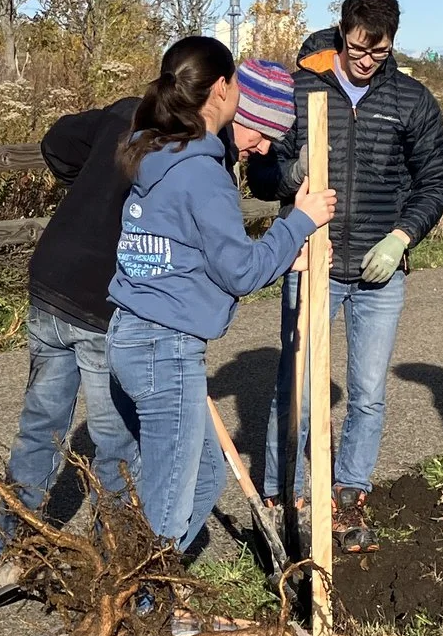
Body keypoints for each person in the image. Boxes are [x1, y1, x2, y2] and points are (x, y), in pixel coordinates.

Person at [107, 42, 334, 555]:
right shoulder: (203, 174)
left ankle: (130, 573)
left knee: (206, 471)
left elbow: (193, 254)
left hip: (131, 333)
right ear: (222, 90)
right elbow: (239, 272)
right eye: (262, 133)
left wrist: (285, 256)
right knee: (168, 504)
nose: (263, 147)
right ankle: (142, 593)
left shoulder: (158, 152)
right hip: (165, 347)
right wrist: (300, 221)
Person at [256, 0, 443, 551]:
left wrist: (401, 236)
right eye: (360, 48)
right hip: (310, 260)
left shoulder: (411, 101)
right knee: (297, 386)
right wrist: (291, 174)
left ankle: (349, 493)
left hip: (377, 273)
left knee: (367, 392)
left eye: (380, 51)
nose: (367, 61)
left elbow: (435, 181)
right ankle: (282, 494)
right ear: (343, 33)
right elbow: (262, 174)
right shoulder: (301, 89)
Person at [0, 90, 143, 579]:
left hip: (53, 278)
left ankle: (16, 547)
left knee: (41, 422)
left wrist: (88, 182)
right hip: (101, 298)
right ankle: (115, 561)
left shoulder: (124, 112)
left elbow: (56, 142)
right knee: (116, 437)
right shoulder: (182, 135)